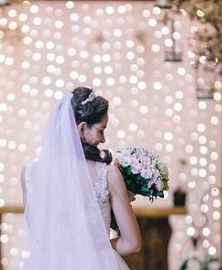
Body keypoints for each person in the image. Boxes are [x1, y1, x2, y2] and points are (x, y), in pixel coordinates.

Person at [20, 86, 141, 270]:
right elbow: (132, 244)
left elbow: (38, 234)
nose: (103, 139)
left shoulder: (29, 174)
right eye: (101, 130)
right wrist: (93, 248)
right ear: (82, 128)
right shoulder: (108, 175)